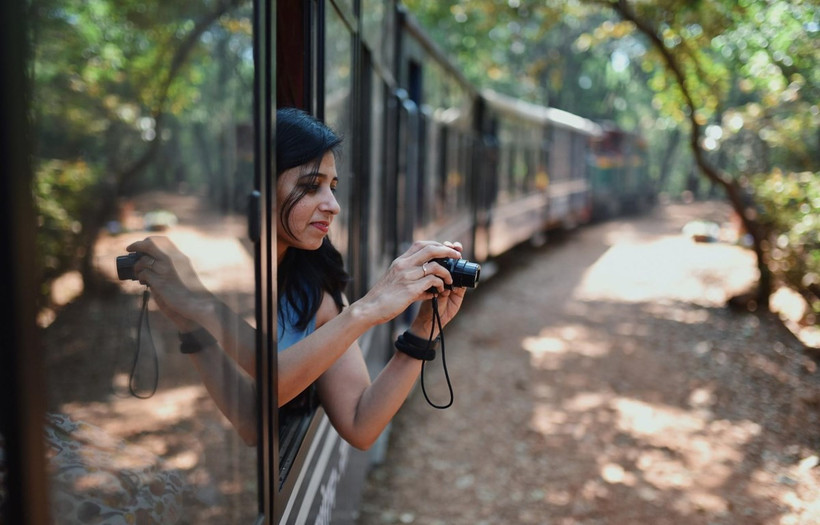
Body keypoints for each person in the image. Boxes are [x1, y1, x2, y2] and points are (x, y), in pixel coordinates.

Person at [125, 107, 467, 449]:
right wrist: (193, 321)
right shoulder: (224, 272)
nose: (333, 204)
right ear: (258, 190)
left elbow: (360, 423)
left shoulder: (312, 289)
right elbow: (257, 413)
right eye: (310, 186)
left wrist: (423, 331)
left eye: (332, 187)